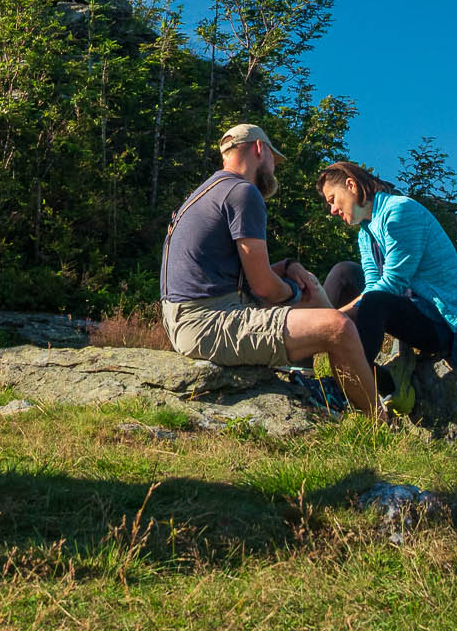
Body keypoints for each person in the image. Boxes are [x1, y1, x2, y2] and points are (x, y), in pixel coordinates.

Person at [159, 124, 384, 416]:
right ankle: (380, 424)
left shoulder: (205, 192)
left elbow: (235, 272)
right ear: (258, 149)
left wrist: (289, 268)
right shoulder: (243, 193)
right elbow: (264, 286)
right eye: (272, 162)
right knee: (336, 328)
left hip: (186, 316)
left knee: (310, 291)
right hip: (206, 322)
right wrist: (296, 291)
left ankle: (340, 379)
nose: (273, 170)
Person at [317, 160, 457, 412]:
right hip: (416, 305)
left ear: (351, 186)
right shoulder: (366, 230)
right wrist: (331, 319)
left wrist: (338, 318)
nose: (331, 209)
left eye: (332, 199)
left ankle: (344, 387)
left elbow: (393, 284)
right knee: (345, 272)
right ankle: (312, 362)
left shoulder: (401, 212)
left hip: (446, 321)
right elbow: (374, 282)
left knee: (375, 302)